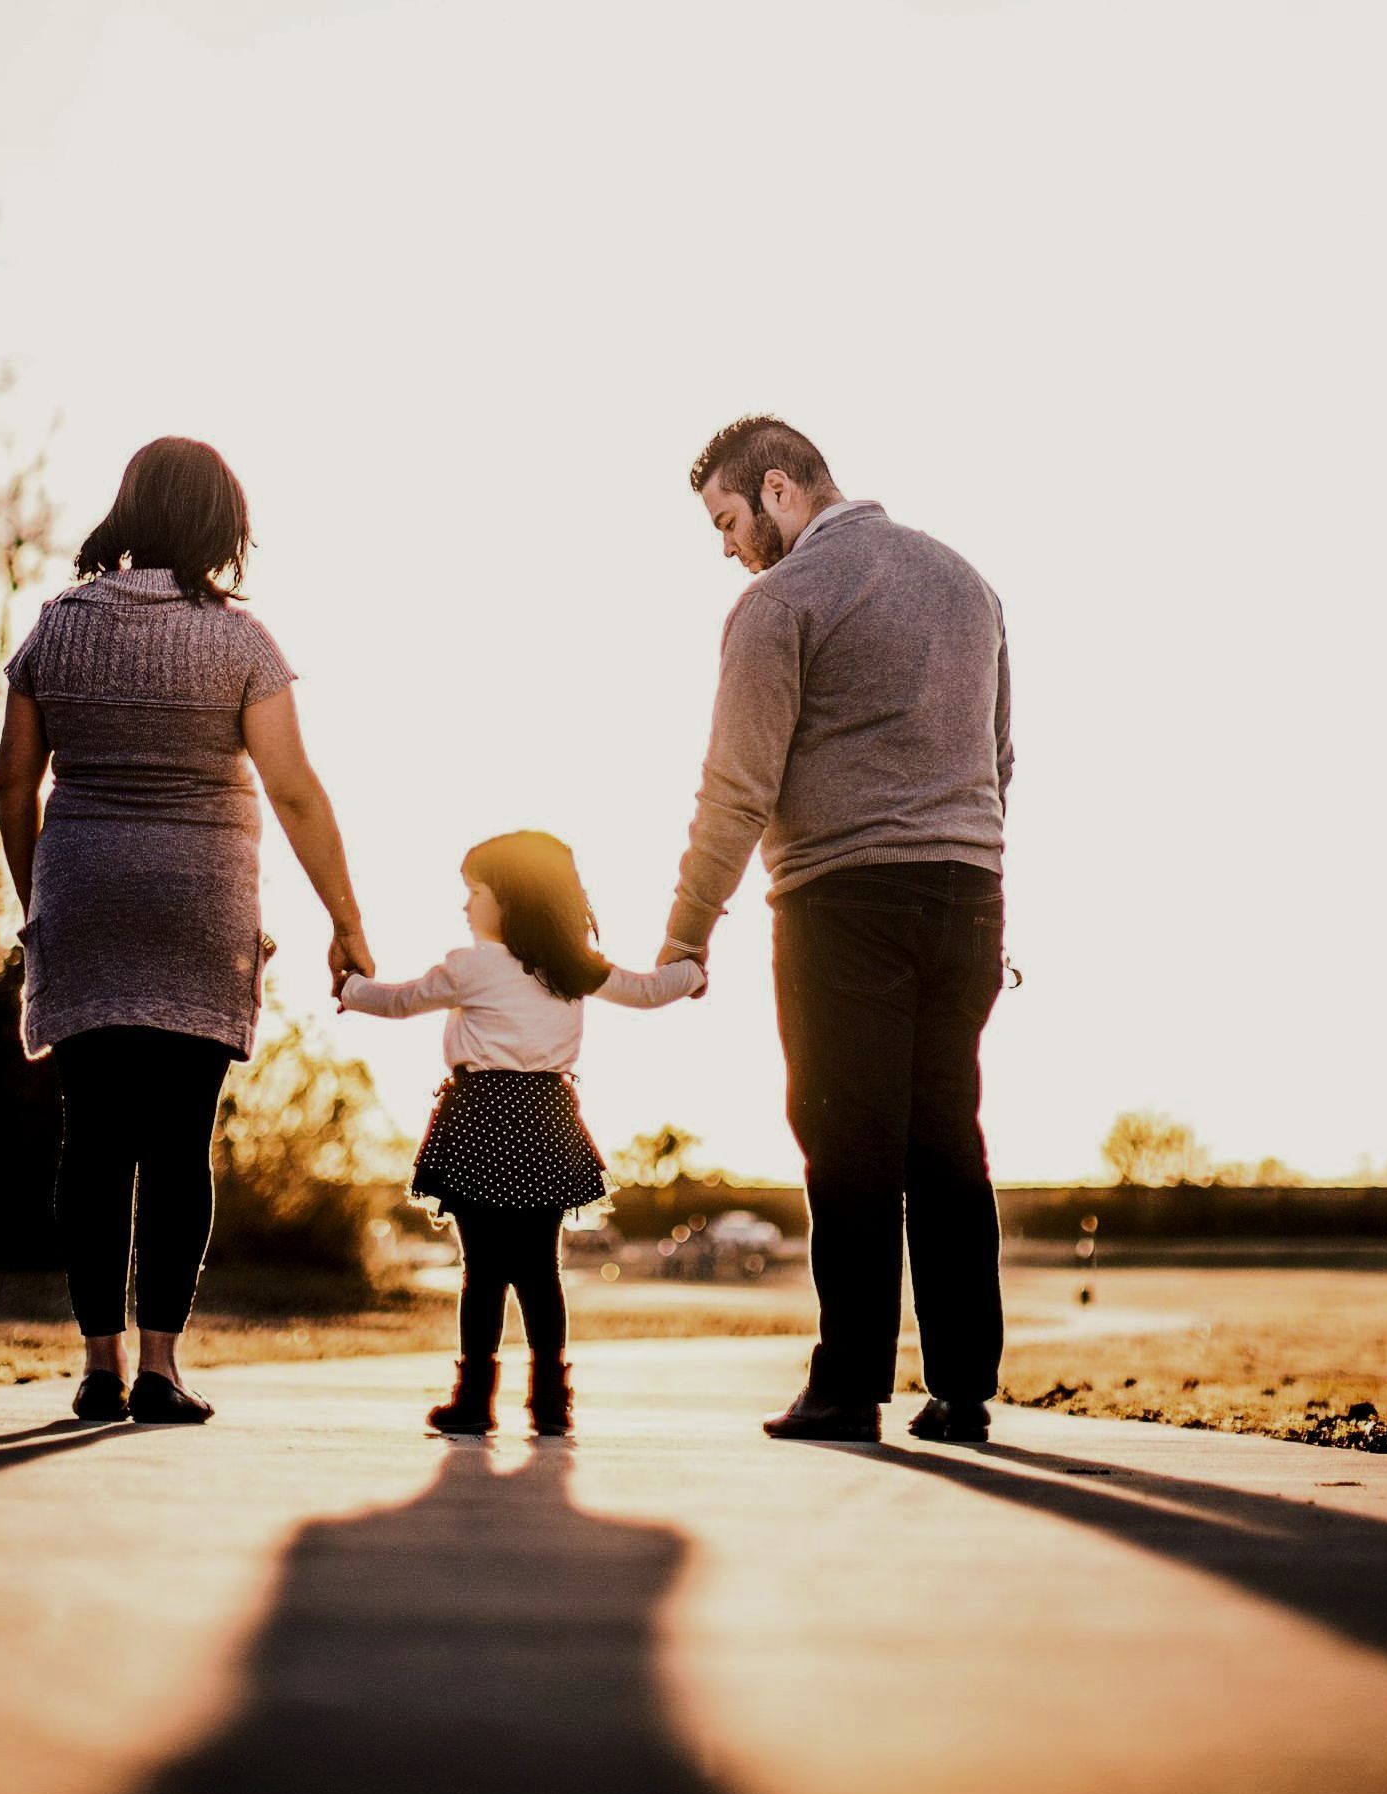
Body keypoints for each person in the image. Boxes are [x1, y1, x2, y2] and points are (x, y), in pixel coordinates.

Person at [0, 436, 373, 1426]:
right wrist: (345, 920)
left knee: (91, 1140)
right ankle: (160, 1368)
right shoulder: (241, 642)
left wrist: (41, 900)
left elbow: (15, 781)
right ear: (219, 525)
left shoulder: (56, 626)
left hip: (84, 900)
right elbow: (294, 791)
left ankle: (99, 1365)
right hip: (200, 911)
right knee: (177, 1142)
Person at [658, 415, 1013, 1445]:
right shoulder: (968, 583)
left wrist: (687, 933)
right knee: (946, 1136)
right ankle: (962, 1390)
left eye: (728, 521)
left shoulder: (781, 602)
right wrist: (966, 855)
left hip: (843, 899)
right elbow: (999, 756)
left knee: (848, 1139)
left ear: (778, 488)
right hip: (970, 891)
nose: (729, 548)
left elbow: (737, 788)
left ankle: (849, 1385)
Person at [339, 831, 705, 1437]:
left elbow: (400, 1001)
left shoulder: (472, 965)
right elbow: (647, 991)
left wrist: (349, 988)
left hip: (480, 1119)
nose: (465, 905)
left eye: (475, 892)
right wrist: (691, 972)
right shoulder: (572, 966)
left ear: (509, 898)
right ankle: (551, 1402)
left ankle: (474, 1400)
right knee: (541, 1270)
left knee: (482, 1270)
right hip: (545, 1122)